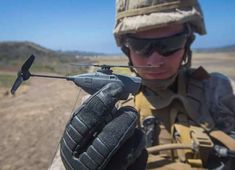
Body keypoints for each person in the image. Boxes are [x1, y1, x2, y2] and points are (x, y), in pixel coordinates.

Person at [58, 0, 235, 169]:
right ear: (126, 49)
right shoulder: (100, 104)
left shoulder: (221, 90)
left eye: (170, 44)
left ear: (187, 43)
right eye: (140, 46)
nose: (154, 61)